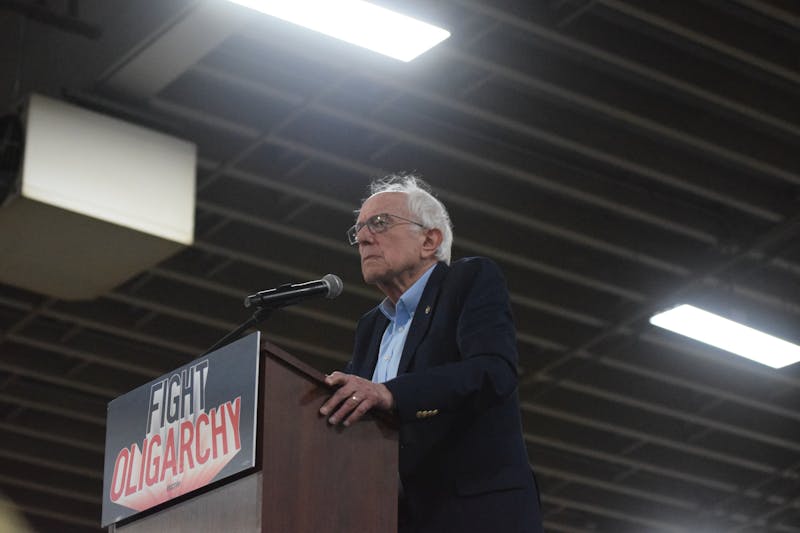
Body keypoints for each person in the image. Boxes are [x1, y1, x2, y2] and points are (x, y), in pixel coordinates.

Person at [319, 174, 543, 533]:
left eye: (380, 223)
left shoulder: (468, 281)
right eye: (358, 229)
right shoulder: (371, 327)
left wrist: (392, 393)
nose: (363, 238)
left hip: (474, 515)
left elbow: (493, 372)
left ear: (429, 240)